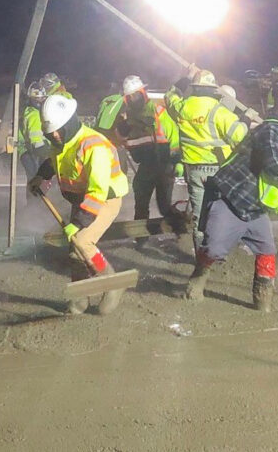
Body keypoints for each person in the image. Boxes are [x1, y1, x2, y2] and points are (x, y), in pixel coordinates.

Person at [187, 99, 278, 311]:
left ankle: (263, 302)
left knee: (267, 249)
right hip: (230, 198)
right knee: (214, 249)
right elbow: (273, 162)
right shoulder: (271, 129)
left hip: (255, 208)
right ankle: (199, 276)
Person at [28, 94, 130, 313]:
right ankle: (79, 299)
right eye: (50, 132)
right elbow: (53, 160)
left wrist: (79, 221)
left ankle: (112, 283)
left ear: (70, 123)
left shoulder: (94, 145)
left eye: (58, 130)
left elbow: (97, 192)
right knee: (75, 251)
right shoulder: (60, 141)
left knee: (82, 240)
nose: (54, 135)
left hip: (104, 199)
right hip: (82, 199)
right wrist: (41, 176)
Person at [169, 69, 248, 248]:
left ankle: (202, 257)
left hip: (194, 170)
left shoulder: (182, 107)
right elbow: (239, 135)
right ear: (214, 89)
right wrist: (247, 119)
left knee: (200, 216)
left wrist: (185, 77)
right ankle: (220, 251)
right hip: (218, 169)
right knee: (222, 212)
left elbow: (170, 96)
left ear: (194, 87)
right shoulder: (218, 110)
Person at [111, 76, 185, 233]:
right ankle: (140, 237)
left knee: (164, 206)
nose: (133, 99)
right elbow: (120, 141)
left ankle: (181, 228)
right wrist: (122, 130)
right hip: (146, 167)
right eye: (129, 96)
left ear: (143, 93)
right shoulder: (127, 119)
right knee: (141, 204)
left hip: (164, 165)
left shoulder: (159, 112)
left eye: (136, 94)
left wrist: (178, 161)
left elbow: (175, 138)